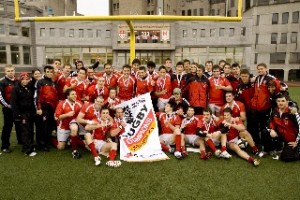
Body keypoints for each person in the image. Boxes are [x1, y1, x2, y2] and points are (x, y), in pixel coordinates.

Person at [251, 63, 280, 148]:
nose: (260, 70)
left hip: (265, 107)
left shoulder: (271, 78)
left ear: (266, 69)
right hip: (256, 106)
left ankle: (265, 144)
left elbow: (278, 86)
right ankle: (256, 142)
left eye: (261, 69)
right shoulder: (257, 78)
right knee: (255, 125)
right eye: (258, 69)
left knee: (264, 126)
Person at [264, 93, 299, 161]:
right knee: (265, 132)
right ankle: (269, 149)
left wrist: (297, 142)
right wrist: (271, 130)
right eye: (278, 101)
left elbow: (299, 128)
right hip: (280, 134)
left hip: (291, 138)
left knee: (286, 158)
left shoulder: (292, 113)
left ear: (287, 102)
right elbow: (271, 122)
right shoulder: (275, 111)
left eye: (283, 101)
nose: (280, 103)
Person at [10, 72, 36, 156]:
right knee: (25, 131)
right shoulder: (16, 89)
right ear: (20, 79)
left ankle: (31, 146)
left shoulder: (30, 87)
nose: (25, 81)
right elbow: (14, 103)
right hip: (22, 113)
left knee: (31, 130)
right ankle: (26, 150)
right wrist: (17, 115)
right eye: (23, 79)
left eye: (27, 79)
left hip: (31, 112)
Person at [35, 65, 58, 151]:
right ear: (44, 72)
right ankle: (41, 144)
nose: (49, 73)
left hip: (51, 109)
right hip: (43, 108)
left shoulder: (53, 82)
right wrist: (39, 108)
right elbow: (37, 96)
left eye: (51, 72)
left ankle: (47, 142)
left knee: (49, 126)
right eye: (47, 72)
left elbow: (55, 97)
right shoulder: (40, 82)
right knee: (42, 127)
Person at [0, 64, 22, 153]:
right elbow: (0, 97)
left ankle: (21, 141)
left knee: (19, 125)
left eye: (12, 70)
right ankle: (5, 146)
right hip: (8, 109)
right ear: (5, 72)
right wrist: (8, 106)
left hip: (18, 109)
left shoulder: (18, 81)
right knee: (7, 127)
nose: (10, 72)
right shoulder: (2, 82)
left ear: (14, 71)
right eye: (8, 71)